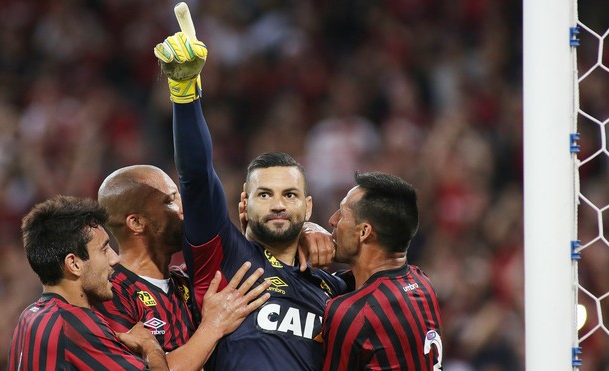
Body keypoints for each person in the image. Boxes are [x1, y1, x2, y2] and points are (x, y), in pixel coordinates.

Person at [154, 32, 349, 370]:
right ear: (244, 204)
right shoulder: (224, 257)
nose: (277, 205)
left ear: (309, 206)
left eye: (289, 195)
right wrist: (185, 95)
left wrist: (317, 233)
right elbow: (196, 178)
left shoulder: (334, 288)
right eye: (264, 194)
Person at [93, 164, 272, 370]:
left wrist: (307, 231)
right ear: (136, 223)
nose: (183, 210)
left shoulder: (188, 279)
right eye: (170, 200)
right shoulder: (110, 292)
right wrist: (212, 326)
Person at [7, 195, 168, 370]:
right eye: (104, 249)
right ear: (74, 264)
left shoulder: (29, 316)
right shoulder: (72, 324)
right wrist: (151, 347)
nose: (114, 259)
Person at [323, 172, 443, 370]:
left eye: (342, 214)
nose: (332, 220)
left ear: (364, 232)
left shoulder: (351, 313)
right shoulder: (423, 283)